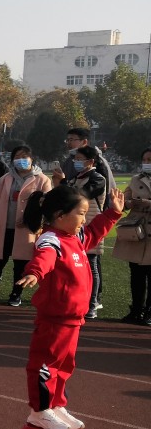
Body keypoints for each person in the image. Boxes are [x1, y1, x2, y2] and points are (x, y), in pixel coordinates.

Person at [17, 185, 124, 429]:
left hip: (73, 318)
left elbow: (94, 232)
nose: (84, 220)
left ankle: (56, 404)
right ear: (60, 215)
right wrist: (35, 272)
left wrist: (113, 213)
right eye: (81, 214)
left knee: (65, 365)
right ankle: (39, 411)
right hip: (54, 319)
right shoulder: (51, 239)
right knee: (46, 365)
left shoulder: (75, 238)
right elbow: (44, 257)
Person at [0, 145, 52, 305]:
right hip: (3, 227)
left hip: (26, 229)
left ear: (31, 159)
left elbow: (47, 205)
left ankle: (16, 294)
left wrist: (31, 220)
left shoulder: (42, 179)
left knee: (21, 263)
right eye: (17, 157)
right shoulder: (6, 178)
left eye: (24, 156)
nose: (20, 160)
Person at [52, 145, 107, 318]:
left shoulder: (97, 179)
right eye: (75, 159)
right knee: (74, 266)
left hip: (90, 226)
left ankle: (92, 303)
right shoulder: (76, 178)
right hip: (73, 227)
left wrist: (63, 183)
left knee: (91, 266)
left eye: (80, 159)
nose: (76, 162)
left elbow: (80, 196)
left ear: (91, 161)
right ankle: (74, 300)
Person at [114, 147, 151, 325]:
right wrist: (126, 203)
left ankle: (149, 312)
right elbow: (123, 201)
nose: (147, 163)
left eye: (150, 160)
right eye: (144, 160)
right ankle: (136, 310)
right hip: (137, 231)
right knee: (136, 274)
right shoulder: (136, 179)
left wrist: (146, 203)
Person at [61, 127, 115, 206]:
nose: (69, 143)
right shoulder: (68, 161)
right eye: (67, 140)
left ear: (84, 141)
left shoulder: (99, 161)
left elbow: (106, 188)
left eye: (71, 140)